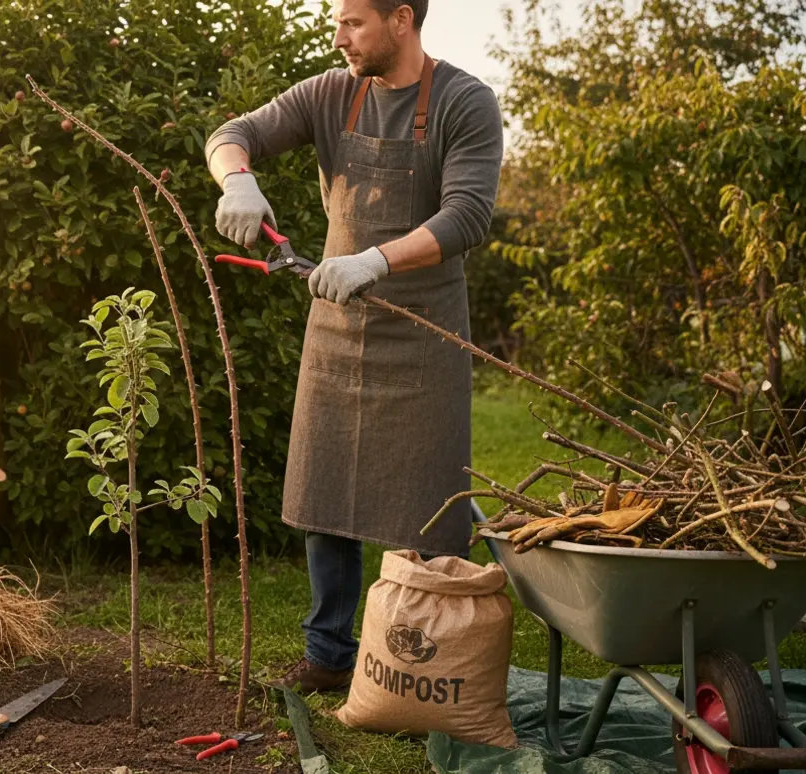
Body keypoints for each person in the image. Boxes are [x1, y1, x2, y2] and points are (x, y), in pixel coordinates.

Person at [203, 0, 504, 692]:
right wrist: (238, 179)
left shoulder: (464, 102)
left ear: (401, 19)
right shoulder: (330, 94)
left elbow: (467, 215)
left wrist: (375, 260)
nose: (338, 37)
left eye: (352, 23)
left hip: (424, 329)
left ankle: (423, 664)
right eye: (337, 22)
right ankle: (329, 654)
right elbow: (233, 133)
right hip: (338, 322)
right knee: (326, 486)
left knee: (429, 498)